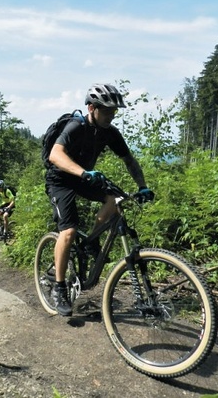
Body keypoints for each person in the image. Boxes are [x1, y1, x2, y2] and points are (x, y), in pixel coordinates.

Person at [45, 83, 154, 317]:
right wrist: (83, 172)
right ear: (92, 108)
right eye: (107, 111)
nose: (111, 116)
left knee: (115, 200)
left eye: (114, 111)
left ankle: (91, 242)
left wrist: (142, 186)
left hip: (84, 177)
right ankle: (59, 288)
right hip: (60, 180)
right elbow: (55, 154)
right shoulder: (76, 126)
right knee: (69, 231)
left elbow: (129, 160)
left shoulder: (110, 132)